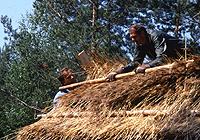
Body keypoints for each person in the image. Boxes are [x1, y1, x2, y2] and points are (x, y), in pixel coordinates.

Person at [106, 24, 184, 81]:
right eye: (131, 37)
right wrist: (119, 71)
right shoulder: (139, 43)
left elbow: (163, 57)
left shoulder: (156, 36)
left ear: (142, 33)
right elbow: (136, 62)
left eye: (134, 36)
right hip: (169, 62)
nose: (133, 40)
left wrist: (147, 66)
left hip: (182, 57)